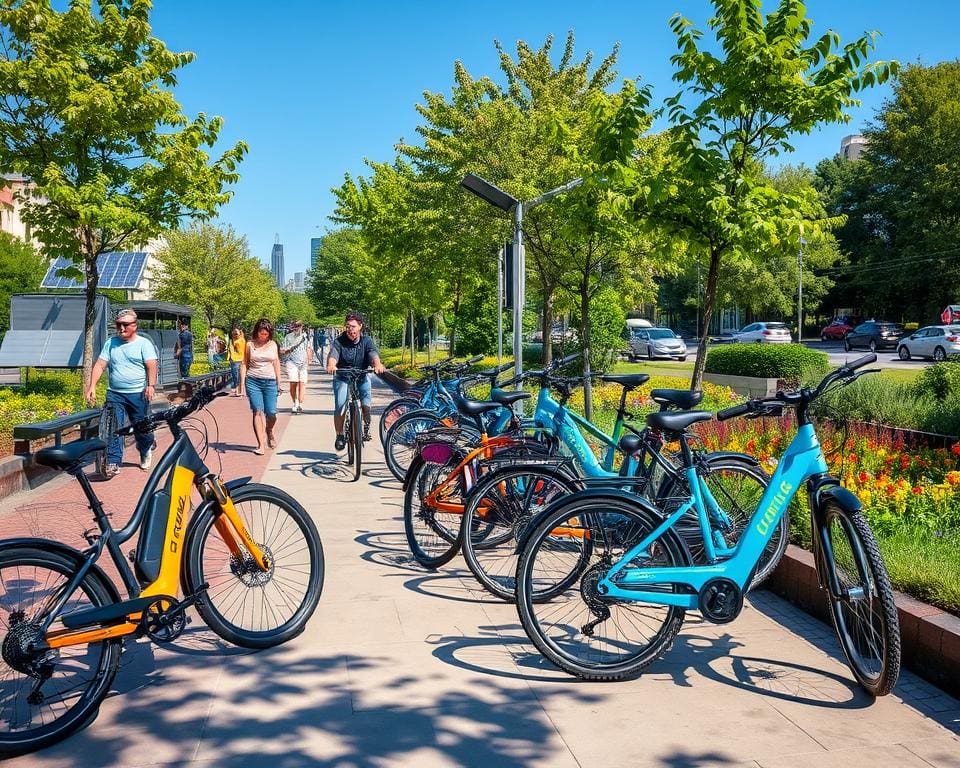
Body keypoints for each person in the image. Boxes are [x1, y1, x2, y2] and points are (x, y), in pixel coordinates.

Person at [84, 308, 158, 477]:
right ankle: (113, 461)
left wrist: (151, 386)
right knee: (113, 427)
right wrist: (92, 386)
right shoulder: (111, 343)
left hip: (138, 393)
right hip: (115, 393)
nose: (121, 328)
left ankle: (146, 447)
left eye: (125, 325)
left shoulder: (143, 344)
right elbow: (100, 365)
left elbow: (151, 365)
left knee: (142, 427)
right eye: (118, 325)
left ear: (134, 326)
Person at [327, 311, 384, 448]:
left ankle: (366, 427)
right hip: (343, 376)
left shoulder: (366, 341)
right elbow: (334, 354)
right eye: (347, 326)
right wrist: (331, 364)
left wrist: (377, 364)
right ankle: (339, 434)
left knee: (366, 405)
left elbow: (373, 353)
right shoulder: (339, 341)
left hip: (361, 375)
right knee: (340, 405)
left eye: (353, 326)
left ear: (360, 327)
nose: (350, 329)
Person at [240, 318, 281, 455]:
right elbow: (244, 363)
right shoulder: (249, 344)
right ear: (256, 332)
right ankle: (261, 445)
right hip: (253, 380)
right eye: (261, 333)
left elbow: (276, 363)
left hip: (270, 381)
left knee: (272, 413)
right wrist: (241, 385)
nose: (263, 336)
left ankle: (269, 430)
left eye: (266, 334)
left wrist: (279, 382)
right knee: (257, 411)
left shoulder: (273, 344)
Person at [280, 320, 312, 413]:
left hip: (303, 363)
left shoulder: (305, 337)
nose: (297, 327)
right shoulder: (288, 337)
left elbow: (309, 348)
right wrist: (285, 350)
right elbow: (282, 350)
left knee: (302, 383)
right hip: (291, 362)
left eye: (299, 325)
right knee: (293, 382)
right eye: (295, 325)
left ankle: (300, 404)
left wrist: (309, 359)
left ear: (302, 326)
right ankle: (295, 402)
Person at [227, 327, 246, 396]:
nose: (235, 335)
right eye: (234, 334)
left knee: (241, 377)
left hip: (241, 360)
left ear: (239, 334)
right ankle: (238, 391)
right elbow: (230, 350)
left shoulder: (241, 340)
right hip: (234, 360)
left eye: (236, 334)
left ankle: (241, 391)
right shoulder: (231, 341)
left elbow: (244, 350)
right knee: (236, 376)